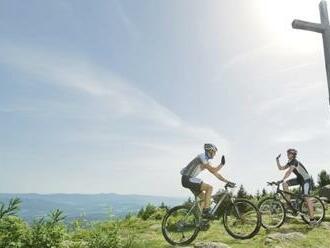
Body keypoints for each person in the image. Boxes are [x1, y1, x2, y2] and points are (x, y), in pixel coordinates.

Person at [180, 143, 235, 218]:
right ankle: (206, 211)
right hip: (187, 179)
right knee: (209, 188)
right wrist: (221, 164)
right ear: (210, 150)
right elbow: (213, 170)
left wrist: (227, 181)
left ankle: (199, 220)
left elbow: (216, 173)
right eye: (214, 152)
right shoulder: (202, 157)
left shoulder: (206, 161)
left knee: (204, 199)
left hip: (189, 180)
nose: (214, 154)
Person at [276, 148, 316, 226]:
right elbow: (281, 168)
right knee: (285, 184)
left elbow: (289, 171)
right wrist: (277, 160)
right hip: (299, 179)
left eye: (289, 153)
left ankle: (312, 220)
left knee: (306, 198)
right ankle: (289, 204)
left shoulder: (294, 162)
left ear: (293, 155)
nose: (287, 155)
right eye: (287, 153)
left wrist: (282, 179)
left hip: (306, 180)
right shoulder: (290, 162)